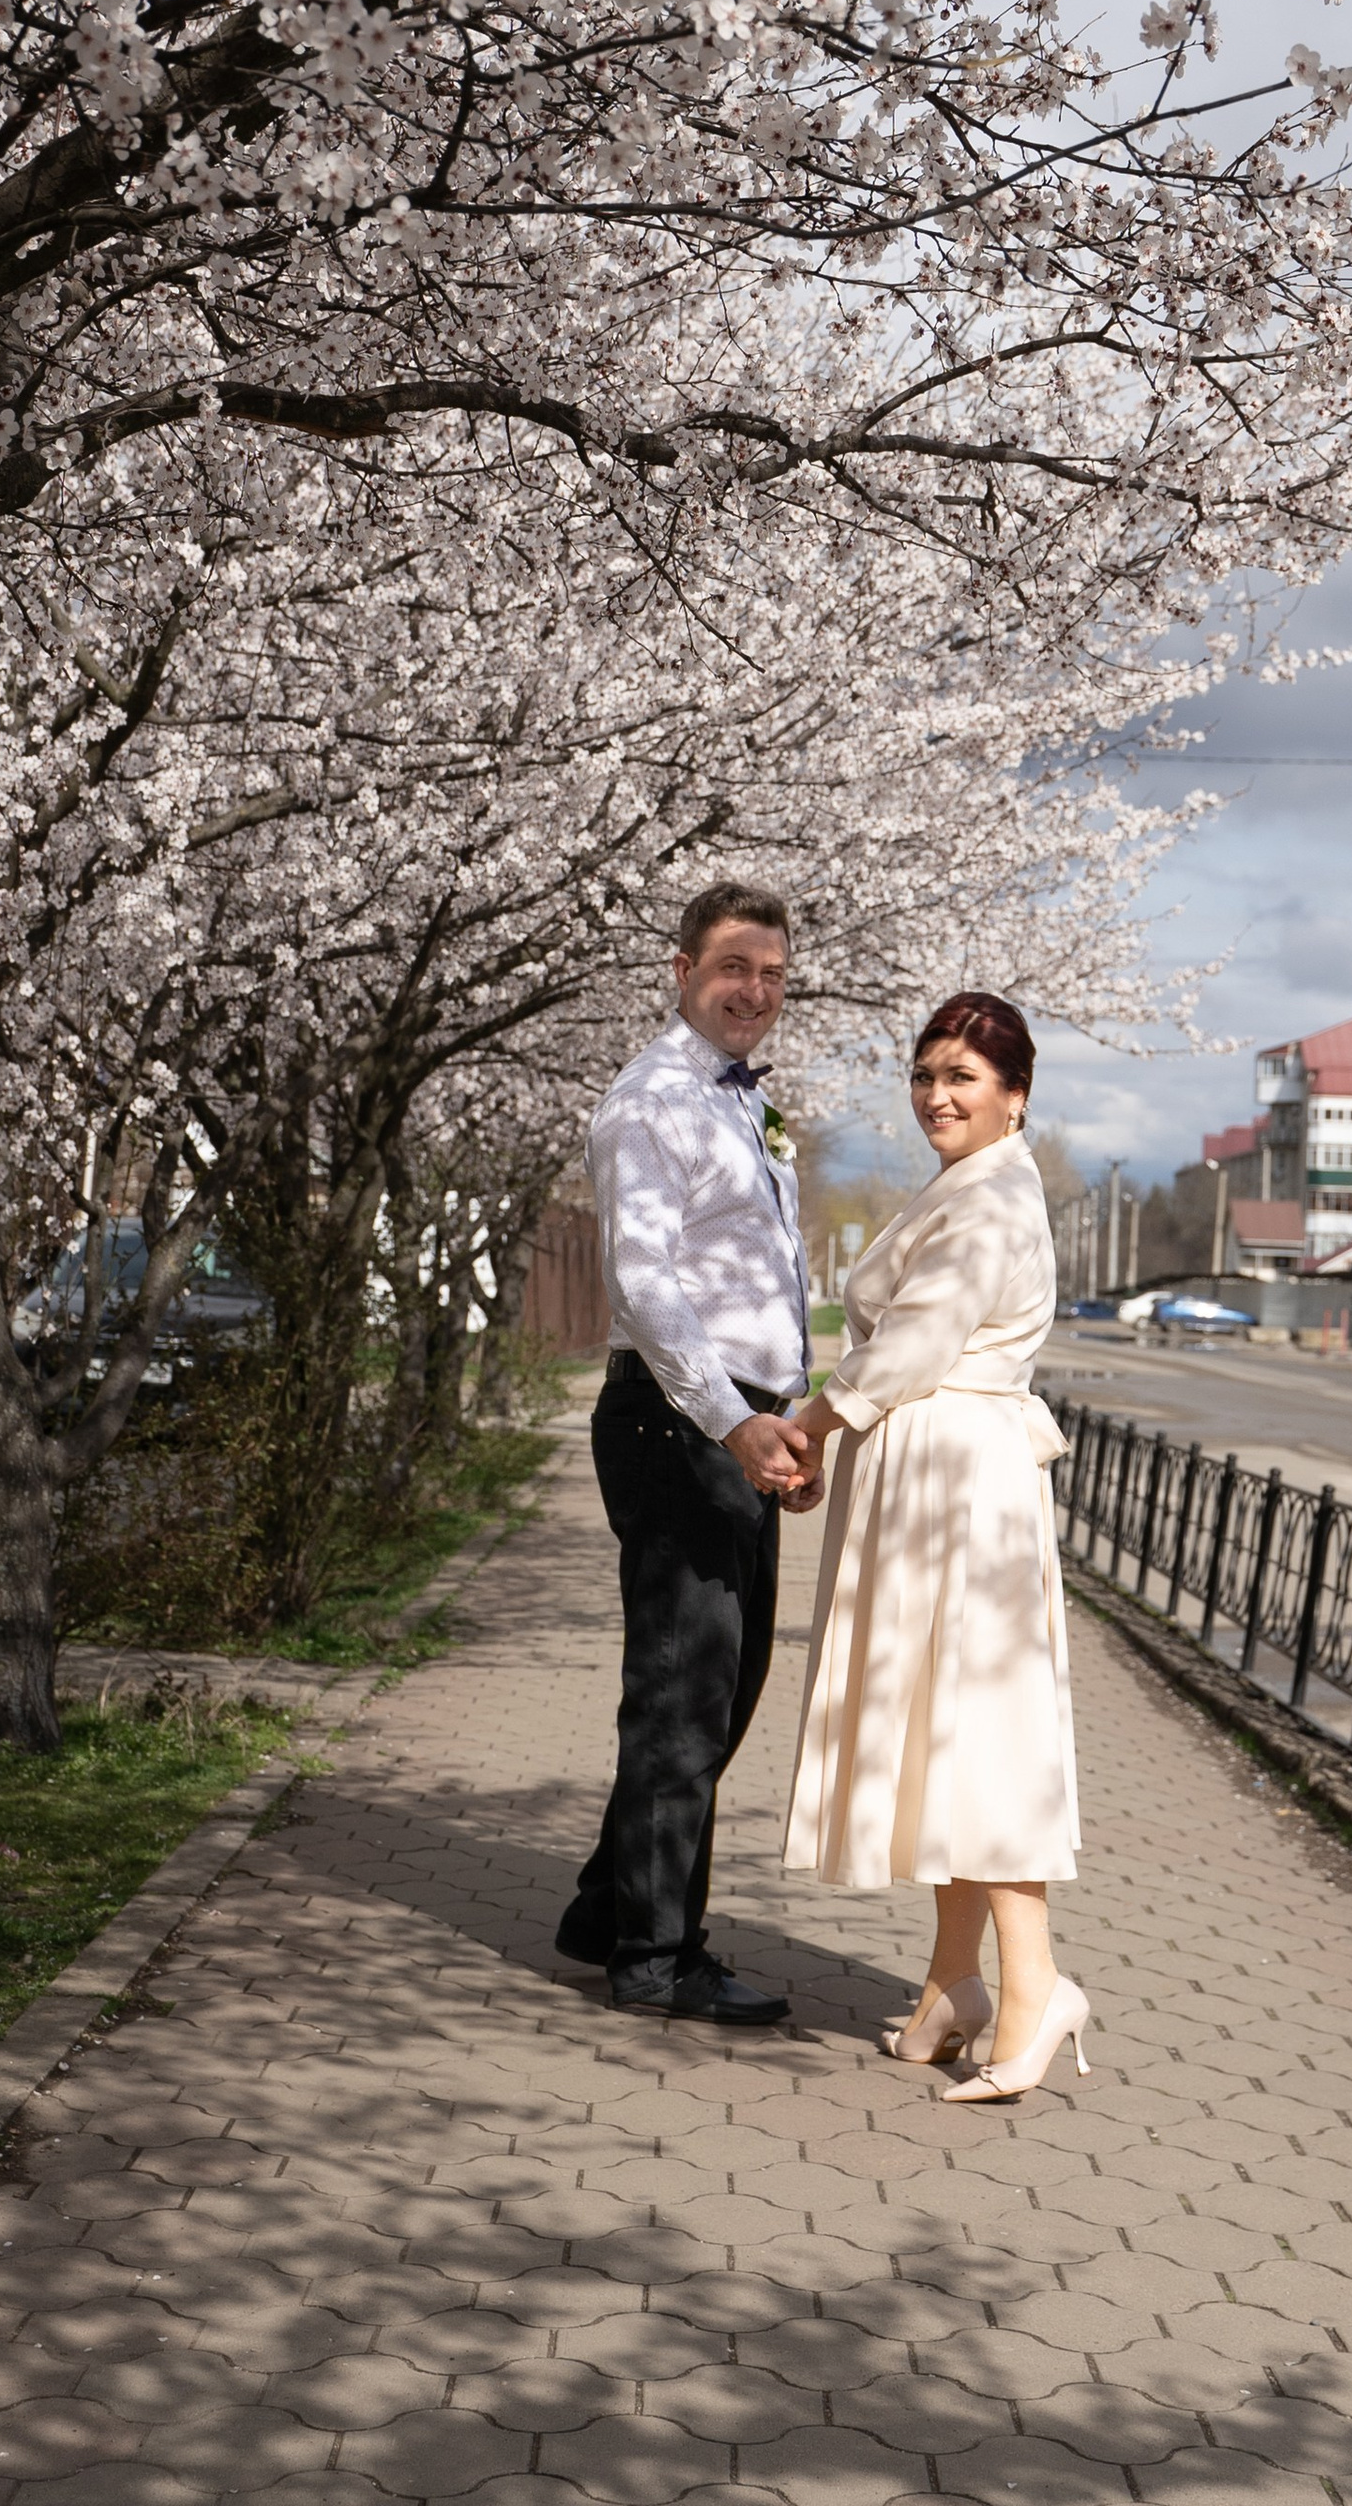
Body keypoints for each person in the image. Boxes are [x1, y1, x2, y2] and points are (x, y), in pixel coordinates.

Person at [783, 991, 1088, 2106]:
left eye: (962, 1076)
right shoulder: (970, 1184)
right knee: (938, 1727)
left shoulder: (996, 1197)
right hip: (932, 1476)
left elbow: (912, 1343)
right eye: (924, 1074)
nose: (936, 1096)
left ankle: (1035, 1984)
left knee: (978, 1733)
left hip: (958, 1482)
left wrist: (803, 1429)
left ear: (1015, 1094)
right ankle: (954, 1980)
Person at [555, 882, 821, 2020]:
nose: (753, 989)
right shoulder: (652, 1102)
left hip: (734, 1422)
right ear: (680, 969)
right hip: (678, 1421)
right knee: (683, 1689)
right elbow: (646, 1284)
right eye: (732, 967)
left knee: (725, 1682)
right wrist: (733, 1419)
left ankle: (605, 1906)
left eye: (770, 970)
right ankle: (655, 1957)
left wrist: (788, 1417)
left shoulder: (737, 1104)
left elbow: (764, 1285)